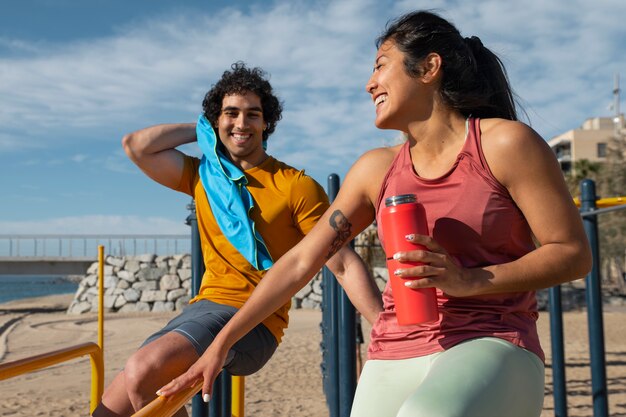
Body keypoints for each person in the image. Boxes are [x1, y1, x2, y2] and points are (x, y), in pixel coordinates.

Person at [156, 11, 592, 417]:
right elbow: (301, 260)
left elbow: (572, 253)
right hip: (394, 348)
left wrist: (468, 281)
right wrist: (221, 343)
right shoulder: (375, 169)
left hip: (493, 340)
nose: (370, 83)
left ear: (428, 68)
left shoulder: (504, 144)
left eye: (380, 65)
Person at [92, 62, 382, 417]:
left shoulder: (295, 185)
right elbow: (136, 146)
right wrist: (205, 130)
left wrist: (384, 327)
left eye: (252, 114)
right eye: (230, 114)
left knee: (143, 370)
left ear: (266, 123)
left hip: (255, 320)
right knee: (109, 410)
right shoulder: (204, 176)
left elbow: (342, 263)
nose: (241, 124)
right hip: (202, 309)